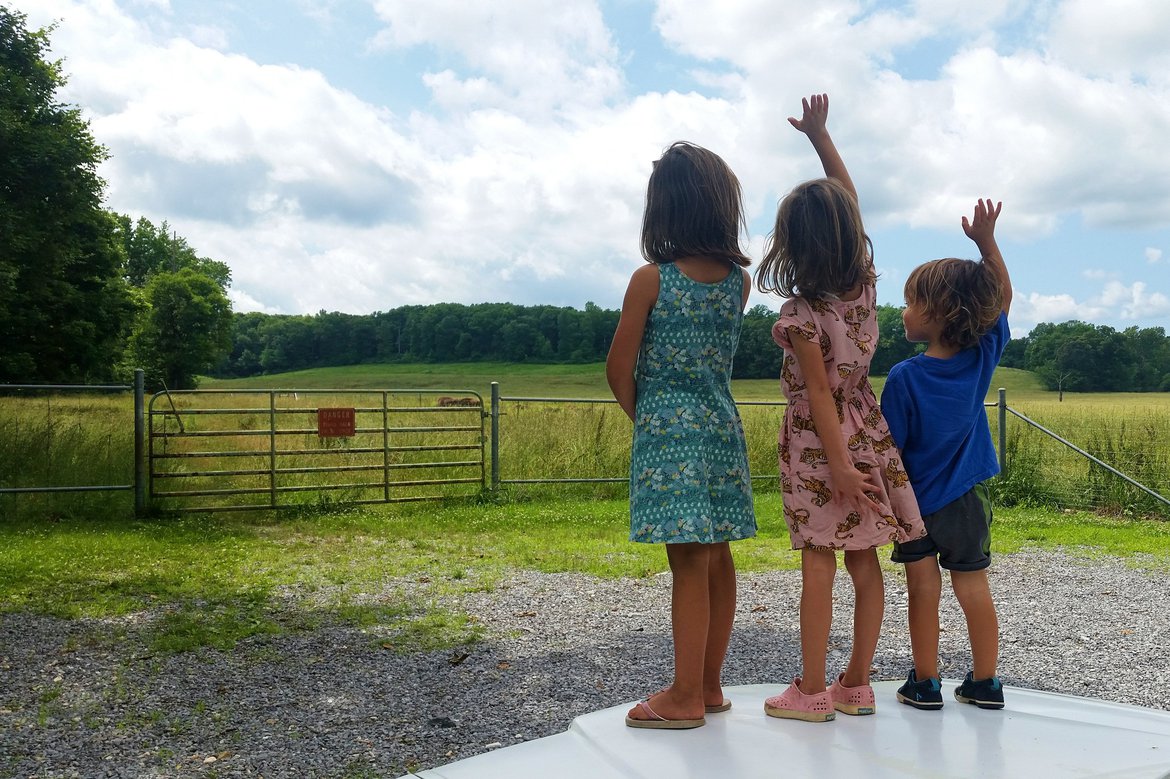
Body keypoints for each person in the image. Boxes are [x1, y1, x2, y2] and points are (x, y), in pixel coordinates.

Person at [756, 94, 925, 722]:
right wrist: (822, 141)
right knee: (866, 559)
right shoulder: (866, 290)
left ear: (794, 247)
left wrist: (838, 466)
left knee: (817, 561)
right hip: (868, 433)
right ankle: (856, 683)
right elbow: (847, 202)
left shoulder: (801, 315)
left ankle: (810, 689)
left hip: (819, 443)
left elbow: (817, 396)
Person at [606, 141, 757, 730]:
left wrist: (650, 421)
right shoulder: (737, 285)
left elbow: (619, 370)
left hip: (670, 431)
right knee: (717, 556)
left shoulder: (650, 281)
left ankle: (684, 695)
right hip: (721, 427)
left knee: (687, 563)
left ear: (662, 210)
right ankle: (712, 686)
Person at [881, 198, 1012, 711]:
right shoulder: (981, 358)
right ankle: (985, 682)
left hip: (915, 503)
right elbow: (1001, 298)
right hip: (965, 501)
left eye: (910, 302)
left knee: (923, 588)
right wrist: (986, 243)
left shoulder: (904, 377)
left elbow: (890, 449)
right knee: (973, 584)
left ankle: (926, 682)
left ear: (935, 314)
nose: (903, 310)